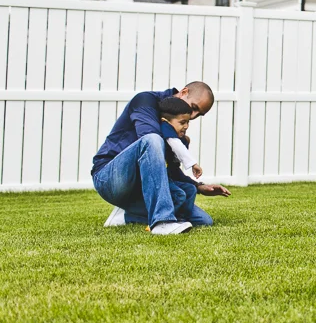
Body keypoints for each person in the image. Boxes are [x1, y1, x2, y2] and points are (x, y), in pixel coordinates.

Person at [91, 82, 230, 235]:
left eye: (199, 115)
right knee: (152, 139)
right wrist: (177, 142)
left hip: (142, 187)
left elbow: (168, 168)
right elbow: (151, 143)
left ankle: (127, 214)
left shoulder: (177, 127)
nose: (193, 116)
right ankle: (162, 221)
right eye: (194, 108)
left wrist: (198, 186)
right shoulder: (145, 101)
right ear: (183, 92)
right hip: (110, 178)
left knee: (203, 220)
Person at [158, 97, 203, 180]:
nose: (186, 126)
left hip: (170, 177)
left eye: (187, 122)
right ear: (165, 121)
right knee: (179, 193)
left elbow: (175, 166)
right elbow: (175, 144)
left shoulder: (181, 139)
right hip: (161, 179)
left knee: (190, 189)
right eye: (182, 123)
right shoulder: (165, 127)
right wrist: (193, 164)